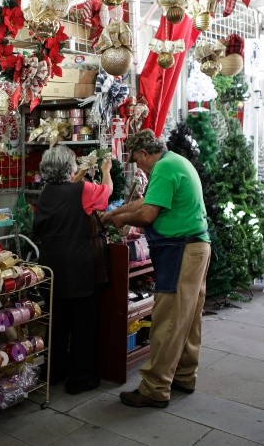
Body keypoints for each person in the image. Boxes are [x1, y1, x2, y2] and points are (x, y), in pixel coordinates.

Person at [102, 129, 210, 408]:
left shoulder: (163, 167)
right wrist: (116, 213)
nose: (140, 168)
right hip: (195, 248)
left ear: (143, 154)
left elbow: (148, 214)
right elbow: (148, 201)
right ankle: (185, 376)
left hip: (182, 250)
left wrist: (121, 219)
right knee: (188, 318)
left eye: (137, 162)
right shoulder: (174, 161)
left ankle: (155, 388)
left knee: (168, 320)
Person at [34, 145, 112, 394]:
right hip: (79, 266)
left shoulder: (45, 192)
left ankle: (54, 371)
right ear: (70, 168)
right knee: (82, 324)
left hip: (51, 267)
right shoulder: (84, 190)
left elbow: (66, 190)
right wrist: (105, 170)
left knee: (56, 322)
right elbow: (106, 193)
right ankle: (80, 378)